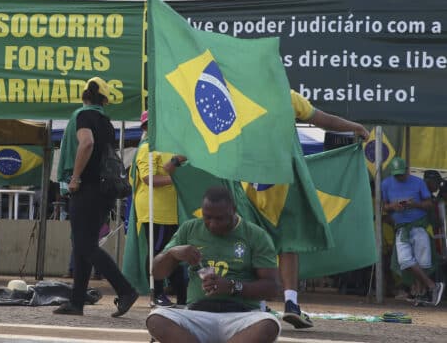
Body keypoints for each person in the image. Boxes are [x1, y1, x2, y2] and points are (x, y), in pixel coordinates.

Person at [273, 90, 370, 328]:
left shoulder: (239, 90)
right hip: (282, 179)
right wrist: (355, 126)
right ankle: (291, 303)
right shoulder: (285, 95)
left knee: (253, 239)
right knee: (288, 243)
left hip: (249, 180)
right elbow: (322, 119)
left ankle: (254, 303)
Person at [146, 186, 280, 343]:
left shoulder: (256, 235)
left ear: (234, 210)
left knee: (268, 325)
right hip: (197, 314)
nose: (212, 224)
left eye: (219, 218)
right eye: (207, 217)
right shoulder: (190, 229)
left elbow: (272, 288)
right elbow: (157, 273)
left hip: (241, 316)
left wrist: (232, 287)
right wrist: (172, 253)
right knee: (155, 319)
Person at [53, 76, 139, 317]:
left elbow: (86, 143)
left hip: (87, 189)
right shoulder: (105, 121)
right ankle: (76, 302)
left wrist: (75, 177)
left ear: (84, 96)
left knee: (84, 245)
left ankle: (125, 290)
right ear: (104, 100)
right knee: (83, 246)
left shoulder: (83, 116)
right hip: (103, 192)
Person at [131, 110, 187, 306]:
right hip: (154, 208)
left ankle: (182, 294)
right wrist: (176, 178)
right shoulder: (146, 148)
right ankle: (157, 293)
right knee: (158, 251)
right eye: (150, 125)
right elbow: (148, 179)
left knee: (171, 250)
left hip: (168, 209)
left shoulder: (165, 147)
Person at [381, 157, 443, 306]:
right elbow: (384, 207)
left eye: (401, 174)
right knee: (404, 261)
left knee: (422, 261)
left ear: (407, 171)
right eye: (396, 175)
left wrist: (414, 204)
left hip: (419, 226)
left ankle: (421, 294)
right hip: (401, 228)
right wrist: (393, 206)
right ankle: (432, 286)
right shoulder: (385, 184)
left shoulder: (418, 182)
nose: (399, 177)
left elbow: (429, 203)